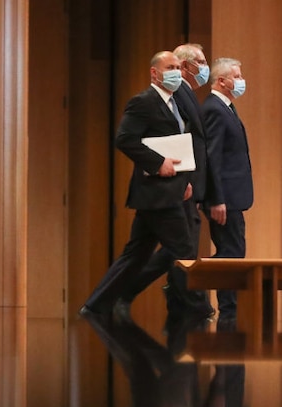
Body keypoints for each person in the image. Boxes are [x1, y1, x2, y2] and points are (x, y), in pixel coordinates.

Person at [80, 51, 195, 322]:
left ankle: (96, 305)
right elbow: (125, 139)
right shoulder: (143, 102)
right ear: (154, 73)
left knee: (136, 254)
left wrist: (183, 179)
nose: (176, 72)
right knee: (184, 250)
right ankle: (195, 308)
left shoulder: (174, 104)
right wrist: (158, 164)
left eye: (179, 67)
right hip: (156, 192)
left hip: (167, 190)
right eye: (170, 67)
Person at [114, 44, 215, 323]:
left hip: (182, 183)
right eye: (201, 62)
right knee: (179, 249)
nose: (204, 67)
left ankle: (166, 300)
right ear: (185, 66)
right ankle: (194, 305)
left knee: (156, 249)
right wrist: (175, 173)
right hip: (169, 185)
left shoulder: (186, 94)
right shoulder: (174, 93)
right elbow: (179, 140)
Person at [201, 57, 253, 330]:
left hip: (234, 196)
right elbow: (213, 157)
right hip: (225, 198)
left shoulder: (226, 108)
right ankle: (224, 308)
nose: (241, 81)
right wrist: (216, 198)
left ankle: (229, 308)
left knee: (234, 251)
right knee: (229, 252)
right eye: (238, 75)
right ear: (222, 81)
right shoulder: (214, 110)